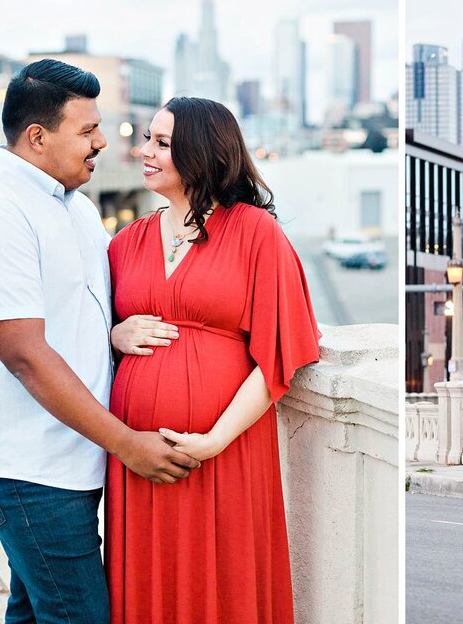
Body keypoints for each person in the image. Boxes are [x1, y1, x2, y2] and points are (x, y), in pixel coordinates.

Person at [0, 59, 200, 624]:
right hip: (28, 471)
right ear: (37, 137)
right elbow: (26, 357)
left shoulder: (74, 208)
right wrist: (130, 444)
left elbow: (69, 318)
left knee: (34, 614)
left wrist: (114, 331)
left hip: (69, 464)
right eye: (86, 131)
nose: (102, 142)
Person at [105, 96, 321, 624]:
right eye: (147, 138)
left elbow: (278, 357)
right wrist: (114, 333)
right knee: (151, 581)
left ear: (200, 153)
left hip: (224, 451)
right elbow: (79, 333)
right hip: (137, 451)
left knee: (222, 580)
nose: (145, 151)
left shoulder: (254, 232)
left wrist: (213, 440)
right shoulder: (124, 243)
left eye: (161, 142)